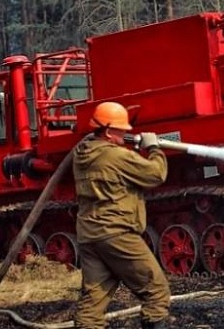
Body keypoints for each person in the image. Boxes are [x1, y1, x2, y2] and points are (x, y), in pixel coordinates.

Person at [72, 101, 170, 329]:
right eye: (121, 129)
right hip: (117, 234)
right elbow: (155, 175)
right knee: (156, 291)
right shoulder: (114, 156)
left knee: (92, 305)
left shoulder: (81, 154)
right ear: (107, 131)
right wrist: (154, 148)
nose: (125, 132)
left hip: (90, 235)